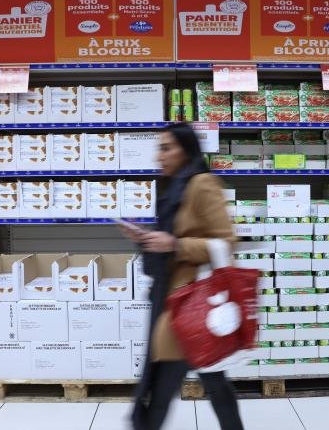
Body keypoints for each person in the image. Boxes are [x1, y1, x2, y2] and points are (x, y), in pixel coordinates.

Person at [118, 123, 244, 430]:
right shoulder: (174, 188)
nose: (159, 156)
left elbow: (226, 242)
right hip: (172, 295)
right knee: (213, 381)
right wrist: (145, 238)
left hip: (190, 303)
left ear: (186, 151)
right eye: (159, 148)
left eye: (166, 148)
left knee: (162, 384)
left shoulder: (202, 184)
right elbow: (171, 241)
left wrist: (174, 244)